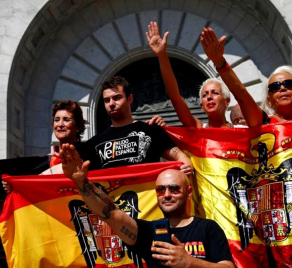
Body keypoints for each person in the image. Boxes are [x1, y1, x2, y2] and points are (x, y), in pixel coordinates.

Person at [60, 144, 234, 267]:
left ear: (188, 192)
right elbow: (110, 212)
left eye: (174, 189)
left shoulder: (208, 228)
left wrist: (190, 263)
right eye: (160, 190)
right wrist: (82, 182)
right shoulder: (147, 232)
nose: (166, 195)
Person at [199, 27, 292, 126]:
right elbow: (242, 95)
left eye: (288, 84)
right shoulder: (263, 124)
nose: (282, 88)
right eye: (274, 87)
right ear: (269, 100)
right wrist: (219, 61)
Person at [83, 76, 192, 173]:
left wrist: (186, 168)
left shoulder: (151, 130)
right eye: (107, 100)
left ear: (130, 99)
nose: (111, 104)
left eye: (117, 98)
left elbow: (181, 157)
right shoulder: (95, 143)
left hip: (149, 195)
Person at [146, 21, 232, 128]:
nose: (209, 97)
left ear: (227, 101)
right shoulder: (199, 129)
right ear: (201, 106)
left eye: (215, 93)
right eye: (204, 95)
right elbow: (175, 97)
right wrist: (162, 56)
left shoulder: (242, 131)